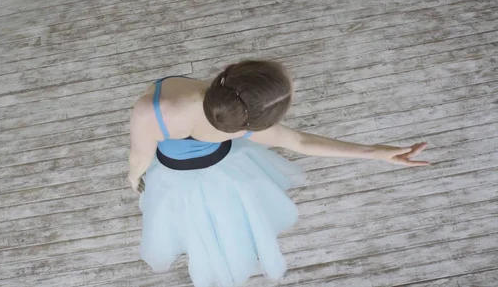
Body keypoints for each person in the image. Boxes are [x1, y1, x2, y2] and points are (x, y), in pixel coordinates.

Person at [127, 60, 430, 287]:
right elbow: (301, 142)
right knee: (230, 217)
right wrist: (377, 151)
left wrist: (134, 177)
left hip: (176, 177)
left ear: (230, 71)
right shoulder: (246, 128)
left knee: (191, 222)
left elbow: (139, 156)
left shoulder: (152, 110)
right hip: (226, 173)